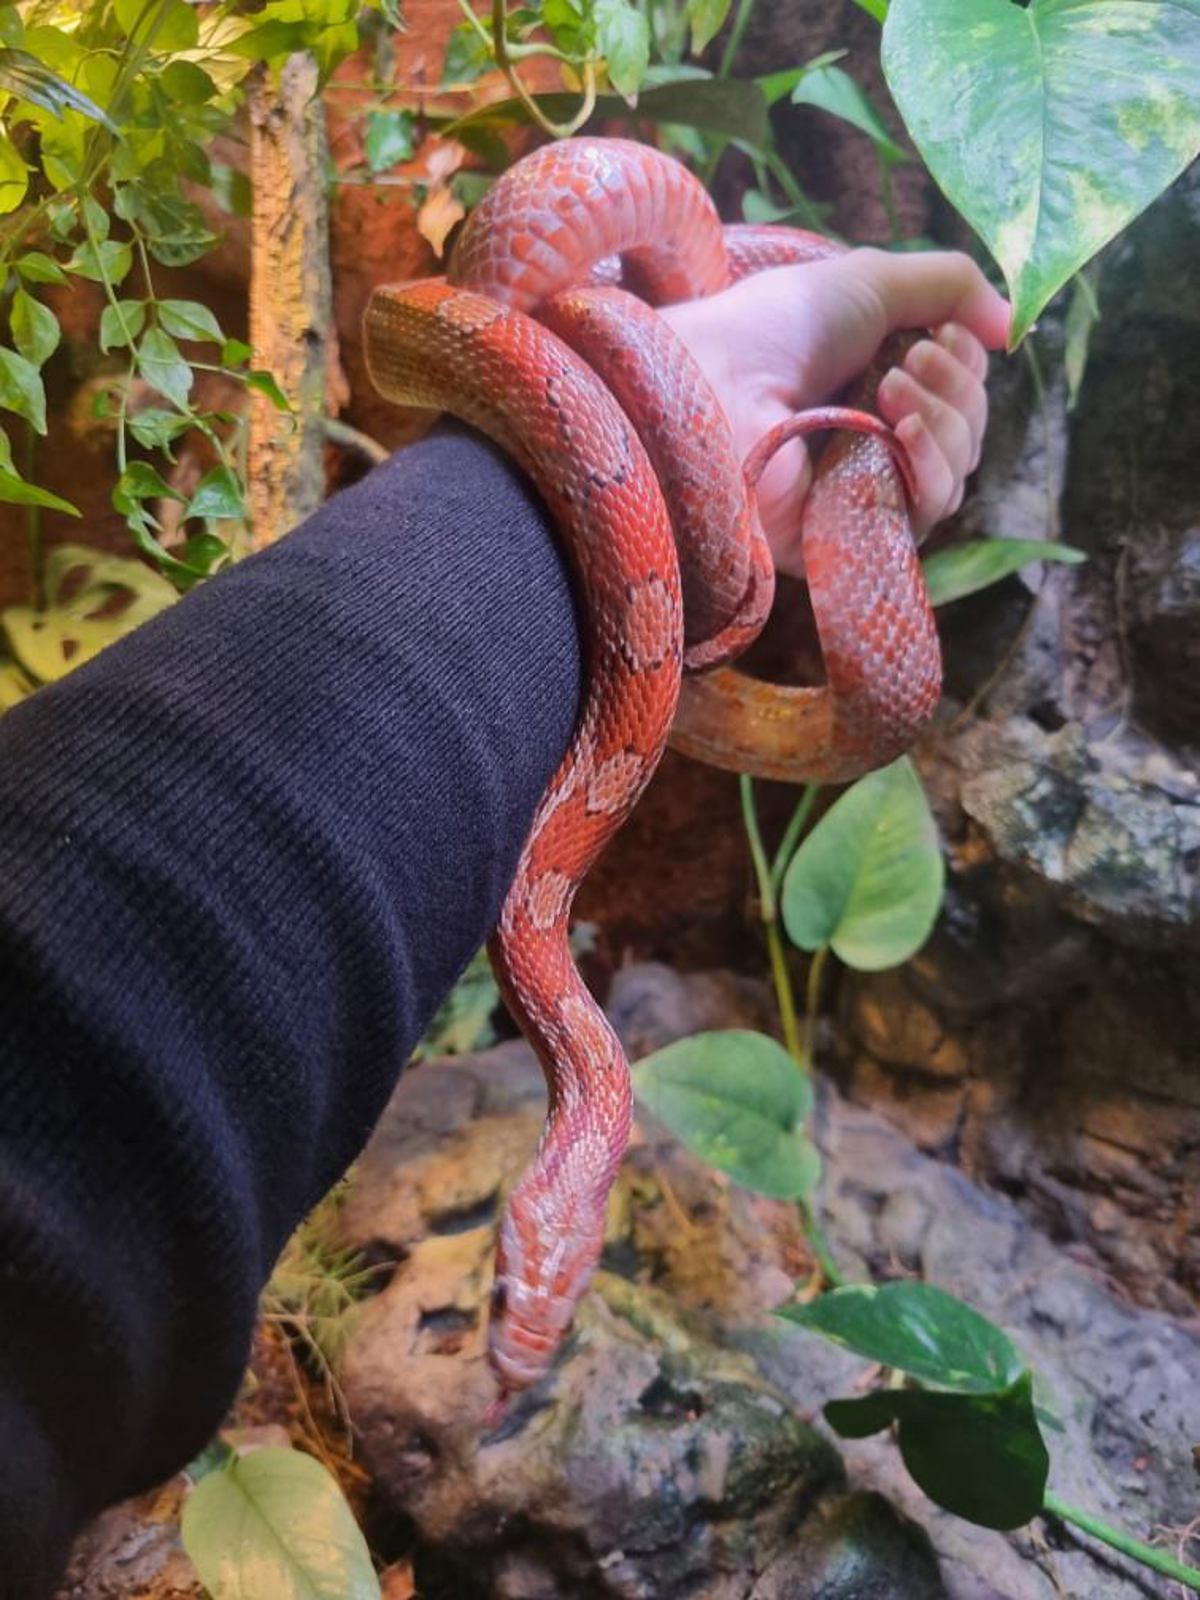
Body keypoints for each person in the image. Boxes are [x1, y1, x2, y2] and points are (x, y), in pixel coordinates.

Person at [0, 246, 1008, 1598]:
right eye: (526, 1286)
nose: (515, 1322)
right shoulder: (544, 949)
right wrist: (660, 407)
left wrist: (670, 414)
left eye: (513, 1292)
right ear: (561, 1196)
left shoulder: (542, 935)